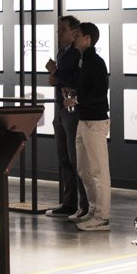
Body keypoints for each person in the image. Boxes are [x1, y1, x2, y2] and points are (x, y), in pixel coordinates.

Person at [72, 22, 112, 232]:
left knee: (98, 170)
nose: (75, 38)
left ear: (87, 39)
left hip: (95, 122)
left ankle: (102, 217)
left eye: (78, 35)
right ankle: (93, 210)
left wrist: (77, 99)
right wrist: (76, 95)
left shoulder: (96, 62)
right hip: (84, 120)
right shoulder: (85, 61)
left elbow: (99, 93)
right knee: (84, 169)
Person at [45, 16, 84, 219]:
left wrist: (56, 73)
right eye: (58, 29)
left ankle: (84, 205)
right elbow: (62, 79)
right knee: (64, 159)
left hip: (72, 111)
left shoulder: (78, 54)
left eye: (62, 30)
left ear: (74, 32)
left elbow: (76, 81)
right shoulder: (62, 52)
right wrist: (55, 78)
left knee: (76, 160)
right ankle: (69, 203)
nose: (58, 33)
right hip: (60, 109)